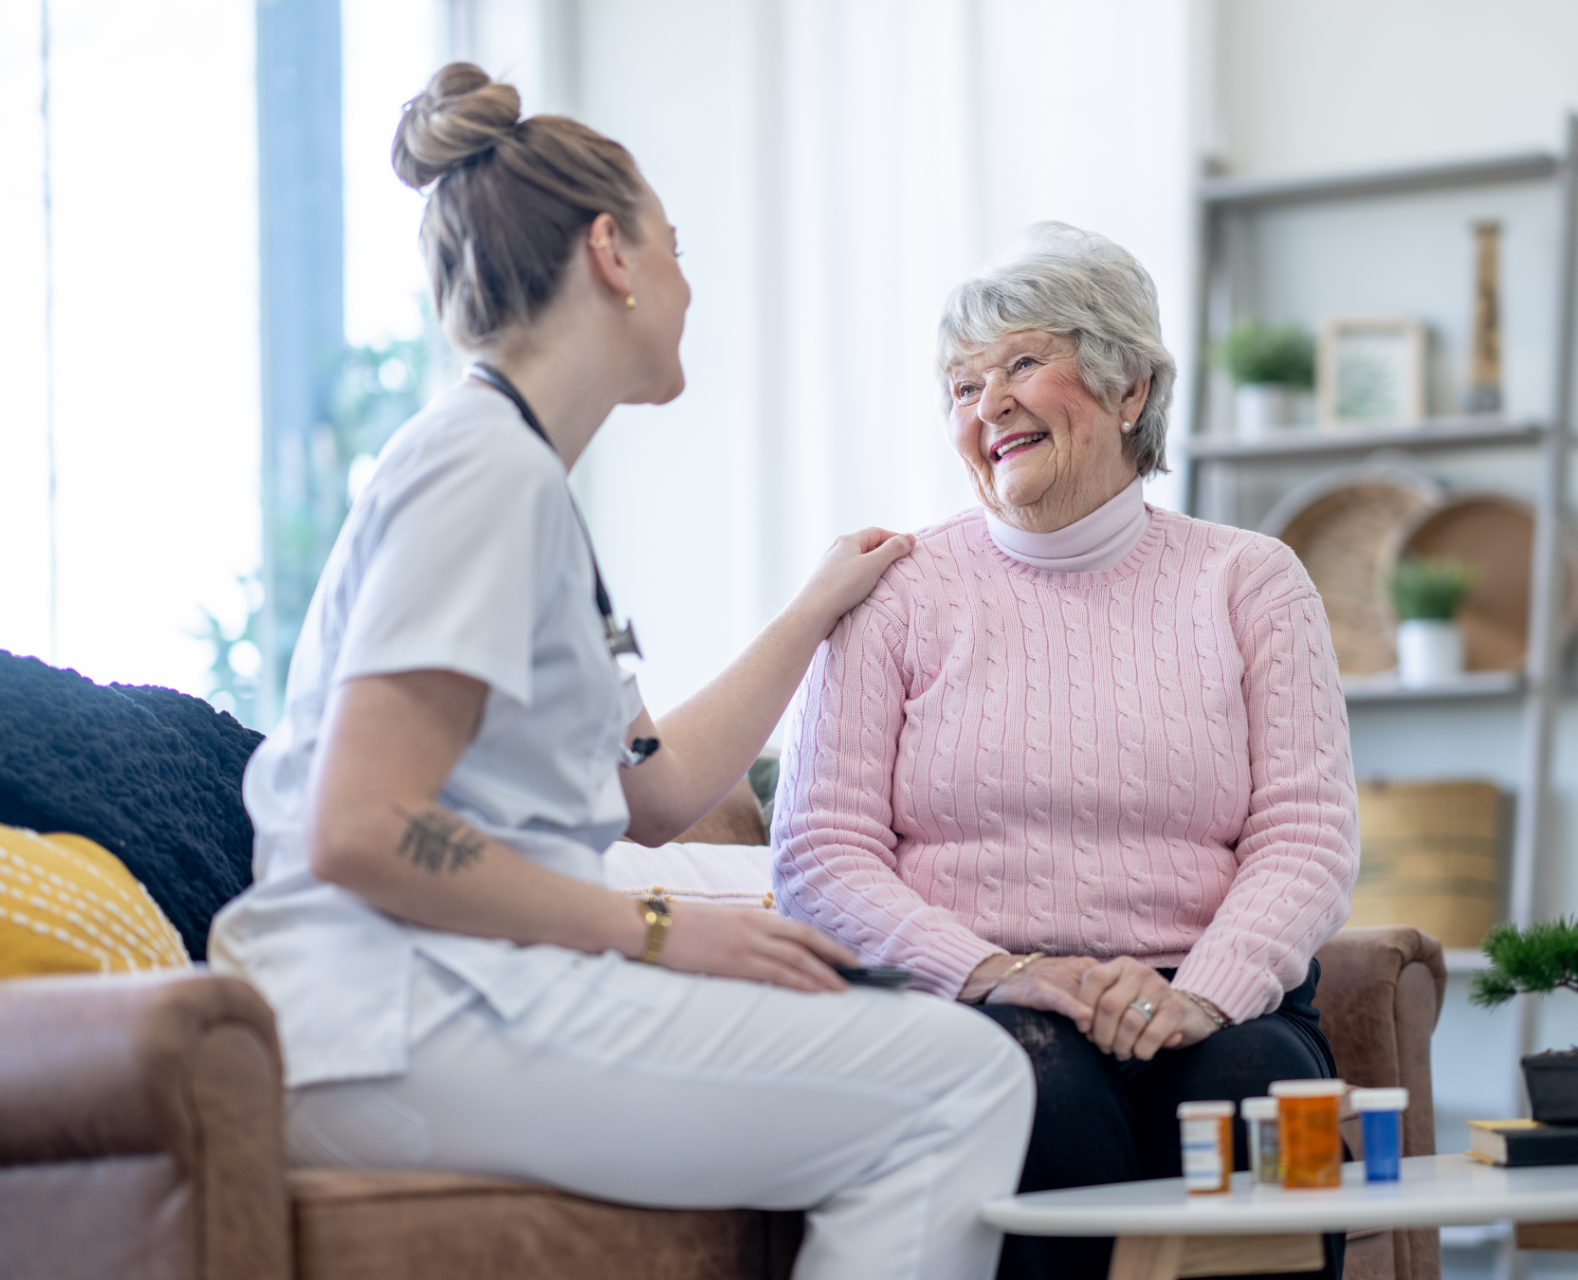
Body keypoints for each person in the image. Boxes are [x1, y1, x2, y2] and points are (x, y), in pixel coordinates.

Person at [208, 63, 1034, 1280]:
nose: (689, 284)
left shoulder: (518, 478)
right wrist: (653, 929)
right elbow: (362, 826)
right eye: (677, 247)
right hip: (392, 1010)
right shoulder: (482, 475)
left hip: (434, 1000)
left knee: (926, 1056)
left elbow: (653, 788)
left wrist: (813, 611)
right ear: (613, 253)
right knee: (958, 1078)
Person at [772, 223, 1360, 1280]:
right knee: (1038, 1082)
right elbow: (818, 853)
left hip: (1210, 990)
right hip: (980, 996)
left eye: (1019, 364)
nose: (984, 402)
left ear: (1129, 387)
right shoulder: (898, 591)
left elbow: (1307, 834)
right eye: (960, 384)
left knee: (1250, 1082)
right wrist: (1003, 971)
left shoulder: (1250, 579)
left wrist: (1203, 992)